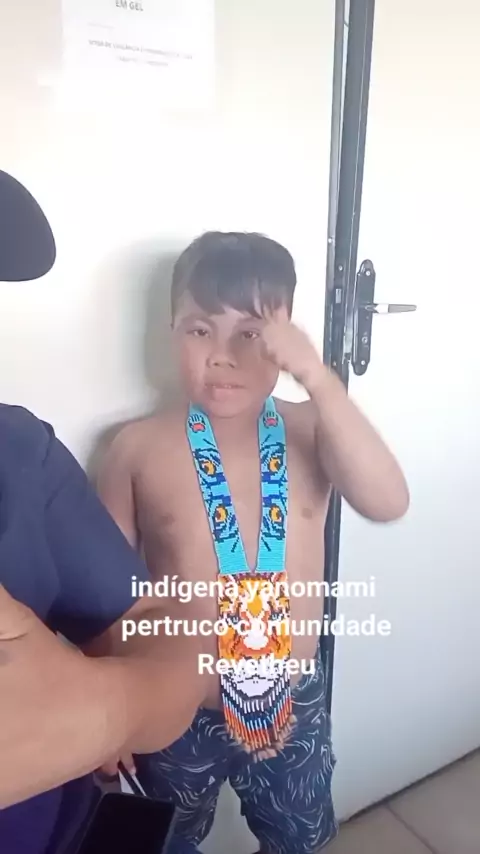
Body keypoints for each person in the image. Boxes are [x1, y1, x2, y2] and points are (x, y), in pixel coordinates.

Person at [97, 231, 410, 854]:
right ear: (170, 330)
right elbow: (103, 591)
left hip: (292, 703)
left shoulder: (314, 428)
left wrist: (318, 378)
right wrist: (110, 714)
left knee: (300, 839)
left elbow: (388, 501)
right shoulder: (136, 448)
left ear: (286, 338)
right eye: (199, 330)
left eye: (250, 334)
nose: (223, 356)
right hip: (173, 704)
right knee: (163, 840)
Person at [0, 169, 204, 854]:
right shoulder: (138, 448)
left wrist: (107, 706)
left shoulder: (20, 452)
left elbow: (151, 621)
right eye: (203, 330)